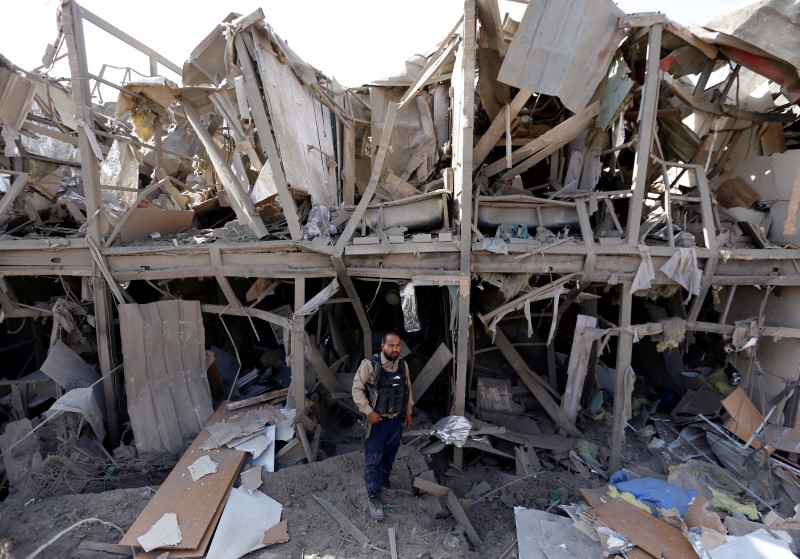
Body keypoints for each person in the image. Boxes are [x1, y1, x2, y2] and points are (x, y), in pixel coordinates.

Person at [352, 331, 413, 521]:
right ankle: (374, 496)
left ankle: (385, 481)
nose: (395, 349)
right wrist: (368, 411)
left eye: (398, 346)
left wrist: (409, 411)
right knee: (373, 460)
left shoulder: (402, 365)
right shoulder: (370, 365)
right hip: (377, 422)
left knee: (390, 455)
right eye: (391, 345)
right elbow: (357, 389)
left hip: (395, 421)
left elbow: (408, 388)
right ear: (382, 346)